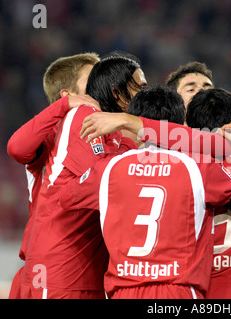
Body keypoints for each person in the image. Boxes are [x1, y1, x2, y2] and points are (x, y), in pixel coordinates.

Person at [60, 85, 231, 299]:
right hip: (178, 291)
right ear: (181, 125)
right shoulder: (198, 167)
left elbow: (65, 197)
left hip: (124, 291)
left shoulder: (109, 168)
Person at [20, 55, 146, 299]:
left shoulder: (114, 130)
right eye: (92, 79)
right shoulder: (79, 116)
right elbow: (101, 183)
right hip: (59, 268)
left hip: (89, 269)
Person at [6, 52, 101, 299]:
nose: (103, 83)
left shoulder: (105, 131)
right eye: (94, 79)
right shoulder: (51, 137)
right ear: (68, 94)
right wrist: (63, 107)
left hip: (88, 270)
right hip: (53, 271)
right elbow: (16, 147)